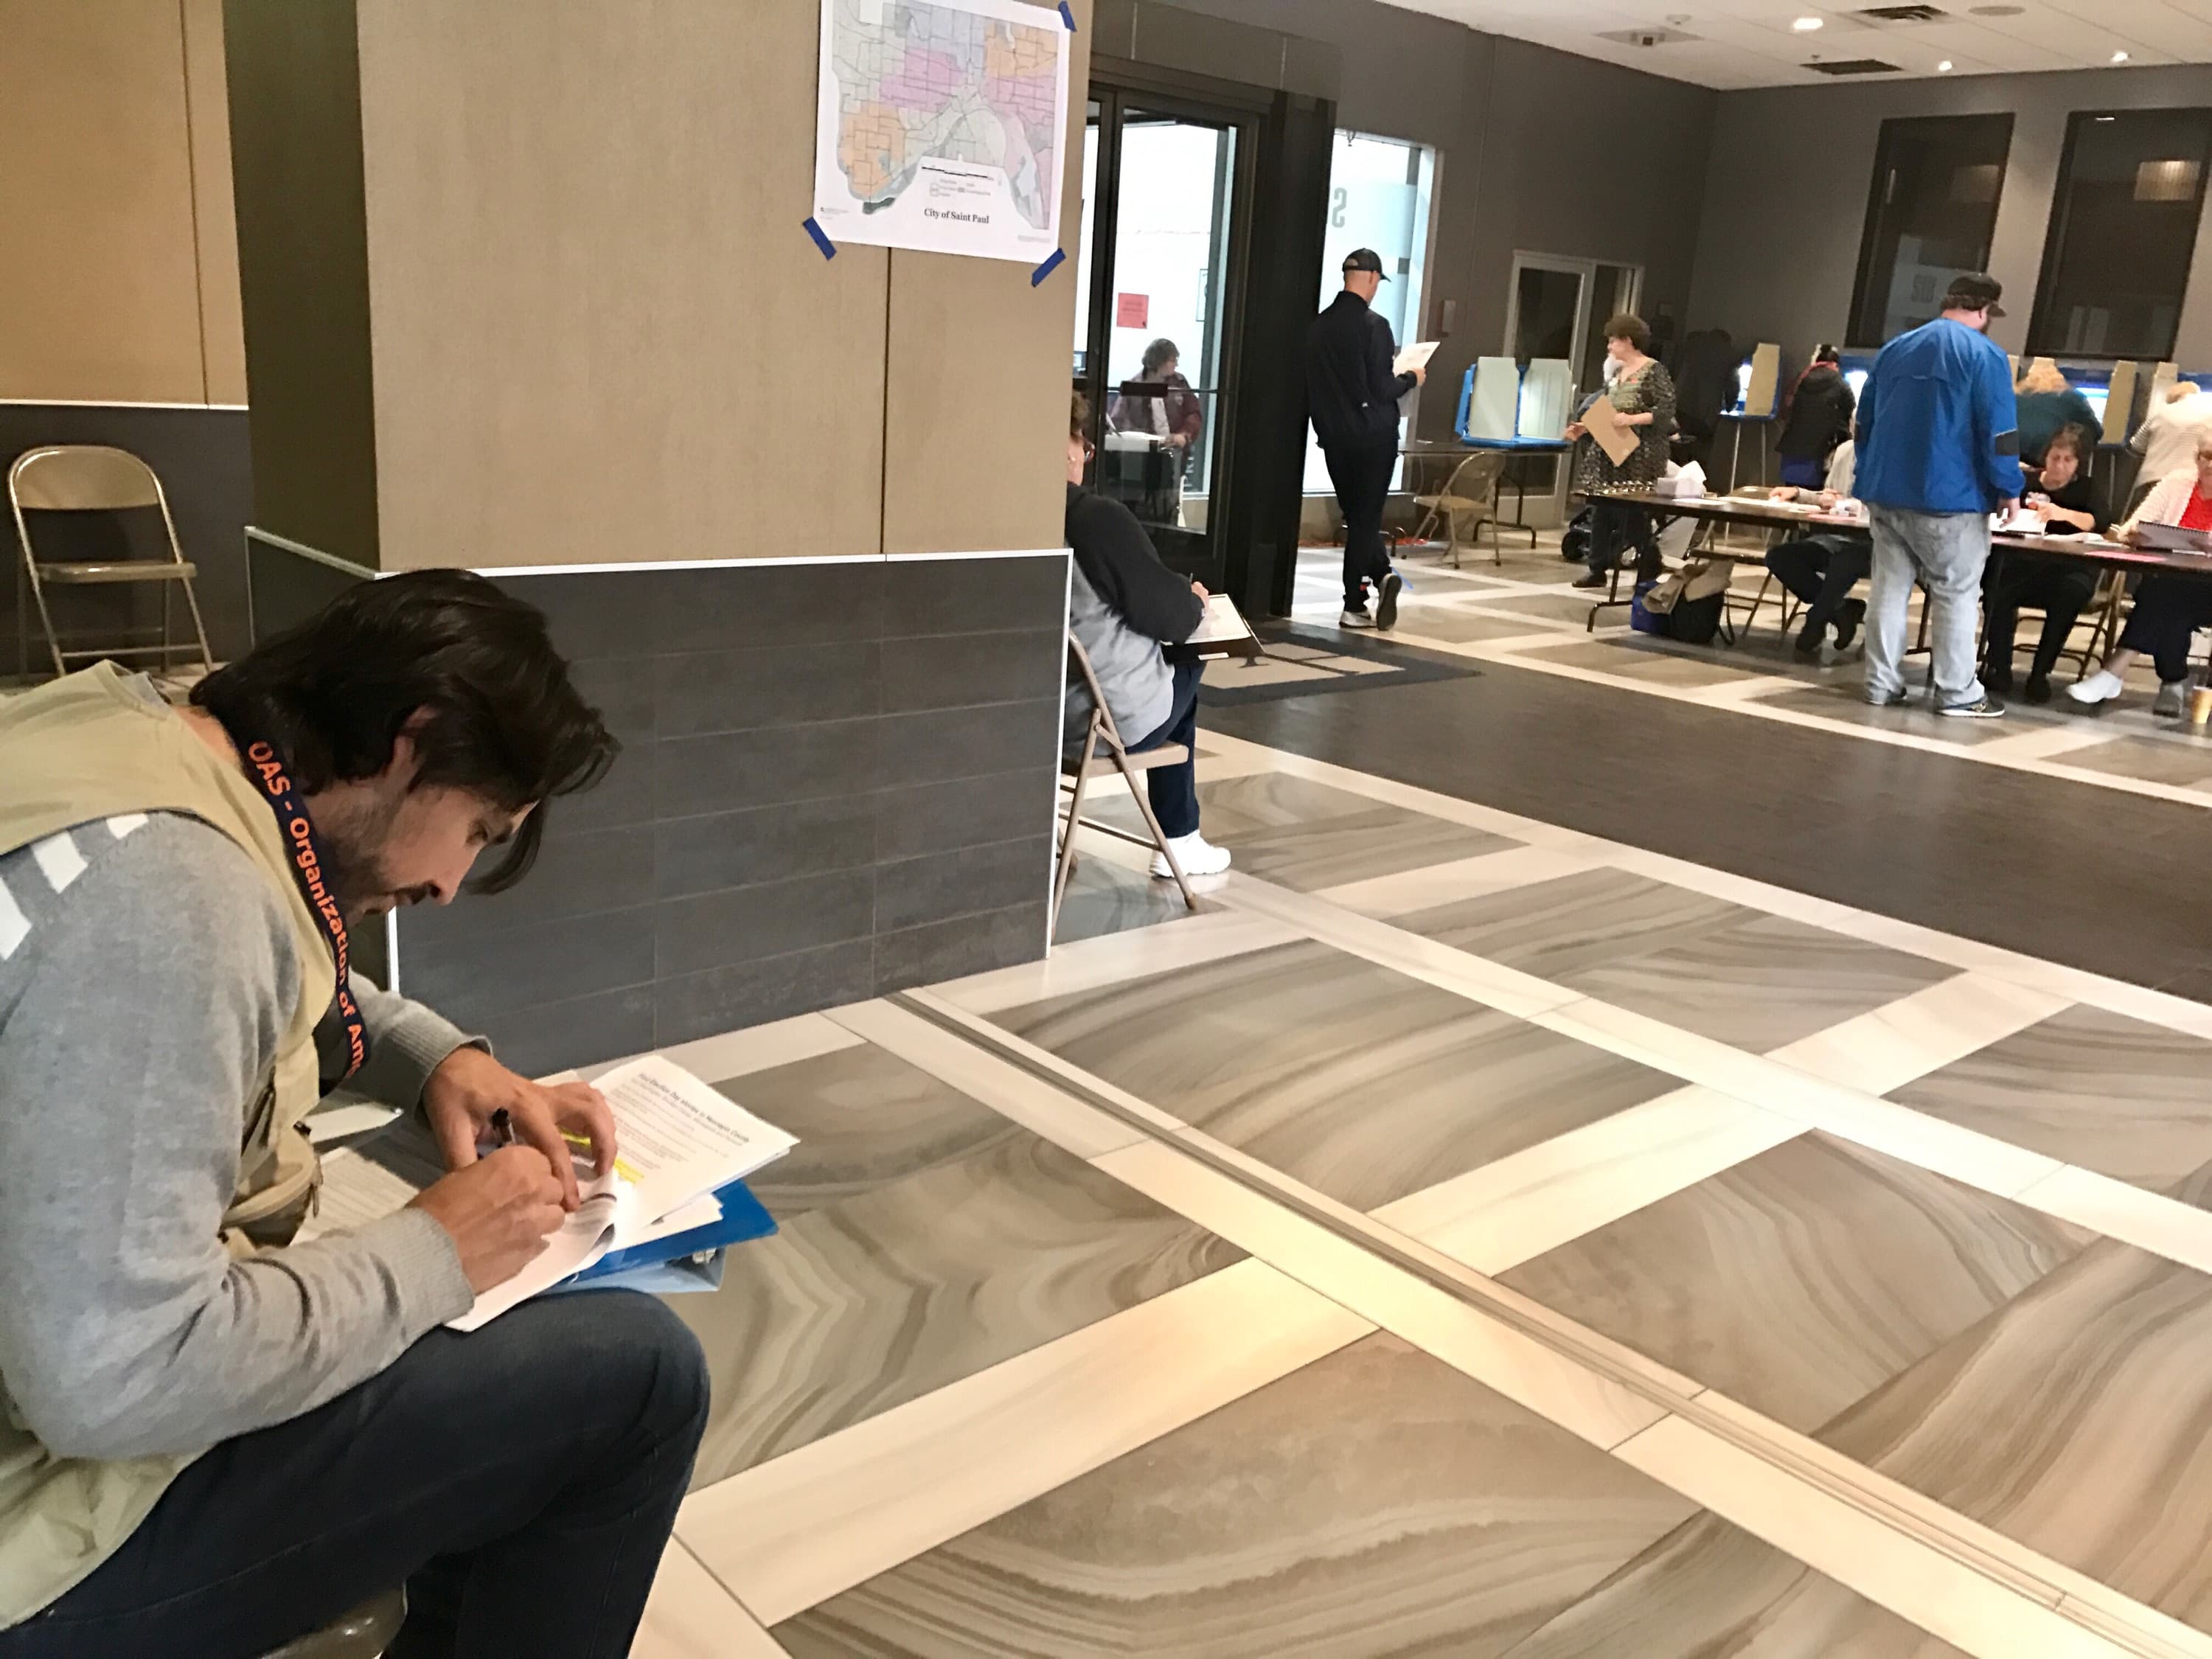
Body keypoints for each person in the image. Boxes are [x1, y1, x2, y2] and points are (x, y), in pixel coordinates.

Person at [0, 571, 710, 1658]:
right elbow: (115, 1379)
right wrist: (436, 1252)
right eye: (476, 830)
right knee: (639, 1377)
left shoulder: (137, 739)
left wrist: (434, 1060)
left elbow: (257, 974)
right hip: (38, 1540)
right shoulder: (170, 899)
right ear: (408, 743)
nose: (451, 885)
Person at [1065, 393, 1230, 878]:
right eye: (1083, 446)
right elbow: (1170, 618)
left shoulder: (994, 519)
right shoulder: (1096, 519)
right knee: (1187, 661)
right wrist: (1195, 601)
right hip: (1095, 726)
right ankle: (1180, 838)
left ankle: (1179, 836)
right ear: (1065, 447)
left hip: (1020, 723)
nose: (1085, 458)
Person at [1855, 272, 2024, 717]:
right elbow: (2000, 432)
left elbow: (1864, 421)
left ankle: (1880, 684)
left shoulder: (1895, 348)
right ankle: (1957, 692)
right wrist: (2009, 487)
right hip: (1950, 497)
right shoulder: (1986, 355)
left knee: (1889, 590)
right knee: (1956, 593)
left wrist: (1869, 473)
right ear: (1985, 311)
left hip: (1885, 492)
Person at [1306, 248, 1425, 630]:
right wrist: (1412, 378)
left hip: (1334, 438)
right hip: (1373, 437)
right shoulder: (1375, 326)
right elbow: (1382, 387)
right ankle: (1353, 604)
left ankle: (1382, 574)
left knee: (1357, 515)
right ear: (1372, 278)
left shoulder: (1318, 327)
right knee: (1365, 519)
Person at [2068, 431, 2212, 716]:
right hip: (2172, 581)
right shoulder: (2176, 483)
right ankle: (2166, 682)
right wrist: (2138, 535)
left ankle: (2122, 675)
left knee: (2162, 596)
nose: (2210, 464)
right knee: (2166, 594)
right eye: (2206, 456)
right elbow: (2130, 527)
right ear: (2196, 459)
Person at [1980, 423, 2101, 703]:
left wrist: (2062, 513)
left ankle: (2040, 673)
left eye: (2068, 460)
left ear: (2078, 464)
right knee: (1996, 585)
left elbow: (2099, 521)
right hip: (2021, 564)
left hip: (2066, 569)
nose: (2060, 465)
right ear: (2045, 457)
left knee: (2072, 593)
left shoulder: (2086, 489)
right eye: (2055, 458)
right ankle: (1999, 666)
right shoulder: (2025, 482)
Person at [1566, 315, 1677, 591]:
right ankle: (1597, 568)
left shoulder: (1654, 371)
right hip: (1611, 449)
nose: (1609, 347)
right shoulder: (1617, 374)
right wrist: (1584, 427)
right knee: (1601, 508)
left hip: (1641, 453)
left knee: (1632, 512)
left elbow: (1665, 412)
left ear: (1628, 340)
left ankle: (1649, 558)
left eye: (1613, 341)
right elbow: (1607, 408)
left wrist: (1631, 419)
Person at [1763, 437, 1869, 657]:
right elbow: (1831, 496)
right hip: (1836, 537)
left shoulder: (1894, 453)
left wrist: (1849, 506)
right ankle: (1840, 609)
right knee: (1780, 557)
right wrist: (1798, 493)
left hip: (1877, 544)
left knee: (1844, 561)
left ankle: (1817, 618)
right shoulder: (1845, 450)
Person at [1775, 344, 1856, 490]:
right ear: (1835, 364)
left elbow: (1789, 407)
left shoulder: (1802, 378)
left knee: (1790, 493)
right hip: (1821, 451)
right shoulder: (1839, 383)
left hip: (1792, 448)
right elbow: (1851, 411)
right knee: (1813, 496)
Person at [1110, 337, 1205, 459]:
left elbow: (1193, 413)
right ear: (1159, 361)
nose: (1176, 365)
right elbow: (1118, 422)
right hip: (1141, 455)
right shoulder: (1133, 387)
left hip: (1174, 452)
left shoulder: (1179, 383)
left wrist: (1183, 435)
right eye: (1173, 360)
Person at [2129, 380, 2212, 514]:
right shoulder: (2209, 411)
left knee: (2143, 523)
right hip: (2190, 483)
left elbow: (2137, 445)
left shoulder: (2161, 412)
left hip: (2152, 480)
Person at [2013, 358, 2103, 464]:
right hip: (2053, 460)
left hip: (2014, 457)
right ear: (2059, 379)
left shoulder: (2013, 397)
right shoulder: (2072, 397)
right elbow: (2097, 431)